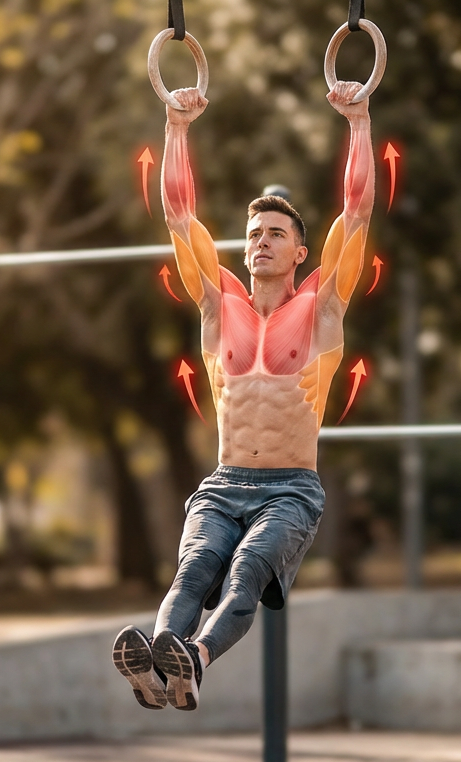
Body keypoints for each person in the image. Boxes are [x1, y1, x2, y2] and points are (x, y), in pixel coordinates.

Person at [112, 77, 374, 711]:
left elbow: (359, 209)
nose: (260, 240)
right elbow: (178, 212)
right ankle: (156, 665)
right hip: (224, 482)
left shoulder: (322, 309)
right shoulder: (216, 304)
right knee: (193, 571)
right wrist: (175, 126)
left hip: (290, 488)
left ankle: (194, 661)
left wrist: (359, 121)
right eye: (254, 232)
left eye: (275, 233)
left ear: (300, 251)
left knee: (246, 571)